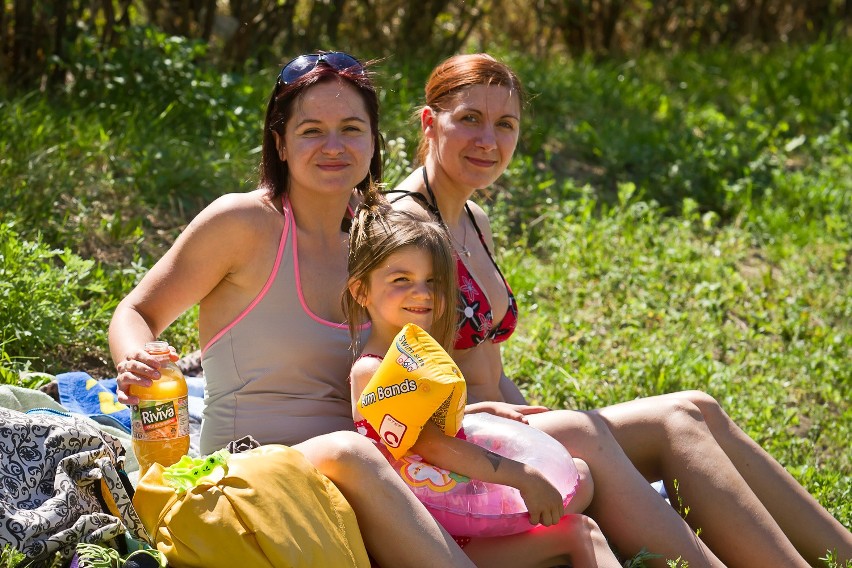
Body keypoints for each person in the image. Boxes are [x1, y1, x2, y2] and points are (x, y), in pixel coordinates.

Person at [389, 52, 852, 567]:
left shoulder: (473, 217)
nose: (488, 141)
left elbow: (489, 365)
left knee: (699, 406)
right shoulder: (405, 228)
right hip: (460, 450)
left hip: (507, 425)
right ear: (430, 123)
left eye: (505, 124)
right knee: (674, 421)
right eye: (469, 119)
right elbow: (393, 375)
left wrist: (538, 414)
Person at [108, 51, 476, 568]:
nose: (334, 147)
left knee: (560, 436)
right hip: (253, 471)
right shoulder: (244, 224)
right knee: (351, 454)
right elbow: (136, 311)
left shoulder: (387, 236)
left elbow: (414, 369)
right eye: (311, 131)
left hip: (375, 469)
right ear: (280, 142)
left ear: (374, 143)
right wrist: (137, 360)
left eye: (351, 128)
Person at [343, 202, 622, 568]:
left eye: (434, 282)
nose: (422, 293)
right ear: (361, 291)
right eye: (401, 280)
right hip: (436, 535)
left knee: (580, 476)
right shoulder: (374, 370)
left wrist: (476, 410)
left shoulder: (414, 355)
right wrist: (522, 475)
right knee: (579, 532)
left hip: (454, 510)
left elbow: (414, 430)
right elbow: (431, 446)